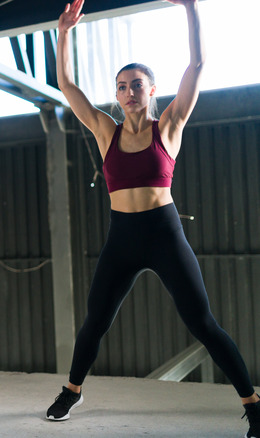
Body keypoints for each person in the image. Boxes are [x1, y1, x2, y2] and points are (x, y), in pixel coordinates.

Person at [46, 0, 260, 435]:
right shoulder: (106, 130)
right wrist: (64, 32)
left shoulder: (170, 126)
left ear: (151, 89)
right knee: (95, 322)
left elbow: (197, 63)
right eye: (121, 86)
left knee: (202, 322)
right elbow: (66, 85)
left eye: (136, 85)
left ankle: (254, 403)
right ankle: (72, 389)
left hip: (164, 232)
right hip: (121, 237)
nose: (128, 92)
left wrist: (190, 7)